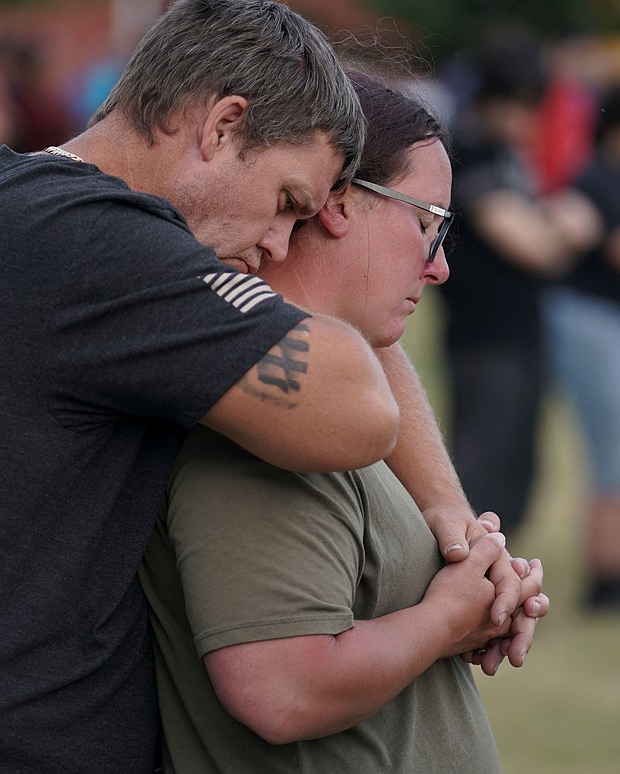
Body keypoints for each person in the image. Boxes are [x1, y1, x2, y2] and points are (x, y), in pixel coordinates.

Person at [0, 0, 403, 774]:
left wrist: (452, 514)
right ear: (223, 125)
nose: (282, 247)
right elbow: (354, 409)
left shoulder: (28, 207)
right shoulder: (100, 245)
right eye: (288, 202)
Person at [140, 71, 549, 773]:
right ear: (338, 200)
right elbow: (280, 687)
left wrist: (473, 572)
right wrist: (447, 616)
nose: (440, 264)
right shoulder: (274, 425)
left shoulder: (323, 399)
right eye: (428, 224)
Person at [438, 30, 600, 534]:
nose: (531, 123)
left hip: (523, 333)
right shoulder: (468, 149)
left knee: (521, 470)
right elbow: (533, 245)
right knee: (480, 472)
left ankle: (501, 576)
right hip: (483, 340)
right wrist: (568, 226)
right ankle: (466, 578)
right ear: (499, 99)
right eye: (526, 108)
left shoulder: (510, 154)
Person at [544, 84, 620, 610]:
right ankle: (605, 580)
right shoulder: (596, 180)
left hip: (600, 320)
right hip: (588, 321)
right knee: (611, 450)